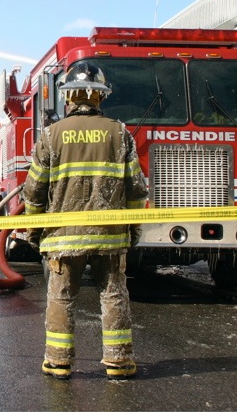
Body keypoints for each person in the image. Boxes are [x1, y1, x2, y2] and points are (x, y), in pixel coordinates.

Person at [22, 61, 148, 381]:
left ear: (68, 96)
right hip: (111, 235)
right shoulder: (119, 133)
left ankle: (58, 361)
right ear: (100, 96)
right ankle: (119, 361)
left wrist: (34, 231)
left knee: (61, 296)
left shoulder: (51, 136)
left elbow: (34, 191)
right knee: (113, 295)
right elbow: (136, 188)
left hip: (64, 236)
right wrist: (133, 230)